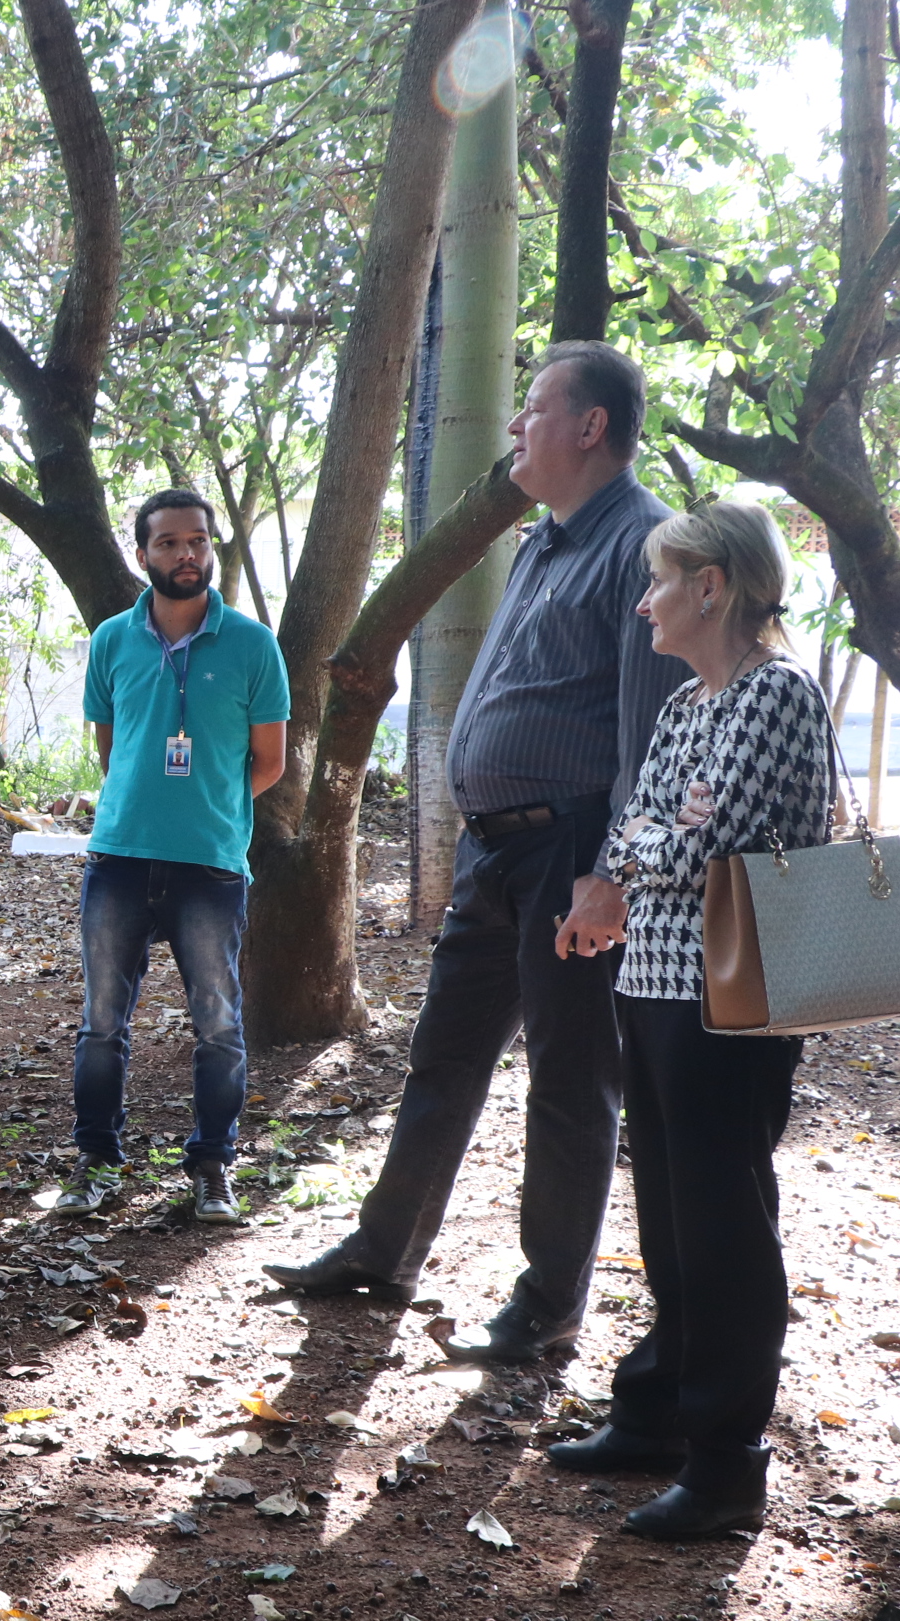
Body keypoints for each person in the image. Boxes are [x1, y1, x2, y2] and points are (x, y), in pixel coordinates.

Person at [266, 342, 683, 1363]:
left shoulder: (647, 546)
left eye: (533, 408)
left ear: (590, 428)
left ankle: (547, 1307)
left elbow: (650, 732)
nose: (514, 428)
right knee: (442, 1059)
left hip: (572, 856)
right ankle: (384, 1249)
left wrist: (612, 876)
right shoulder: (544, 541)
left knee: (569, 1081)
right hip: (495, 856)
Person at [544, 501, 835, 1538]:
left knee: (722, 1229)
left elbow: (723, 847)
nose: (644, 602)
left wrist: (641, 855)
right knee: (668, 1221)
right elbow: (645, 823)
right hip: (654, 984)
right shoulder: (686, 705)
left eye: (660, 581)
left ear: (712, 586)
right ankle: (660, 1412)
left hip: (730, 1000)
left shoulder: (777, 697)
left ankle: (725, 1464)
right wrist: (649, 847)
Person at [56, 490, 289, 1224]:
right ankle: (95, 1164)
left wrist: (209, 809)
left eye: (198, 542)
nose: (186, 555)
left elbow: (270, 762)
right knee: (101, 1024)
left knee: (217, 1024)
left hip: (211, 864)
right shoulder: (110, 641)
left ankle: (213, 1169)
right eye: (168, 544)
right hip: (119, 858)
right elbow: (111, 750)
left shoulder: (254, 644)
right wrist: (147, 805)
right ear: (142, 555)